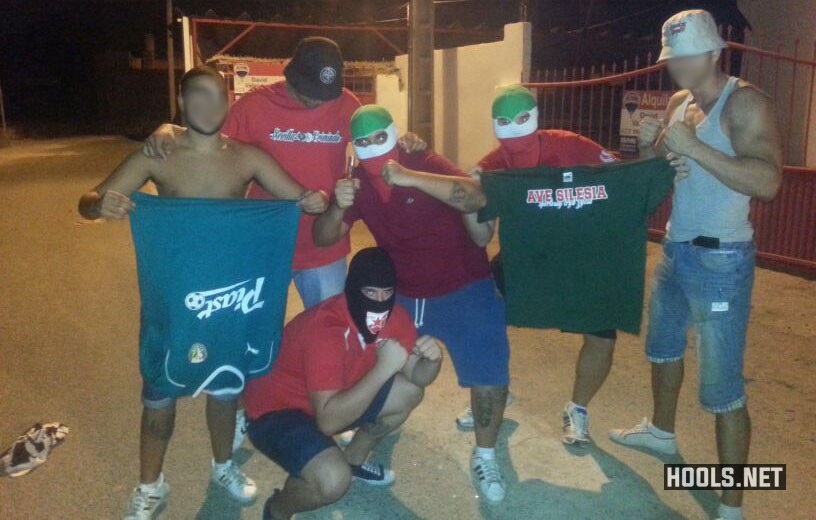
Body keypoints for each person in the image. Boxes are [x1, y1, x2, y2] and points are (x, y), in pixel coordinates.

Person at [78, 65, 328, 520]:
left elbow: (301, 198)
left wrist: (316, 202)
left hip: (228, 297)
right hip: (172, 301)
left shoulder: (248, 157)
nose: (208, 105)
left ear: (229, 101)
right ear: (181, 100)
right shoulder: (158, 153)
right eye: (198, 95)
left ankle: (222, 465)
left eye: (217, 96)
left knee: (225, 391)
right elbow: (90, 201)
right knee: (158, 398)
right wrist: (101, 204)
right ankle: (150, 486)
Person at [382, 84, 687, 448]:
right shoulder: (493, 165)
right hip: (528, 257)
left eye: (522, 118)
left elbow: (625, 180)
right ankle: (493, 391)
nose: (514, 127)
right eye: (504, 121)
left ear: (537, 117)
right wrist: (453, 179)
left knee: (601, 335)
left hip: (586, 255)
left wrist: (654, 153)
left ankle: (579, 408)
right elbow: (477, 226)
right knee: (484, 307)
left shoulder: (572, 145)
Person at [608, 10, 782, 520]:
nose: (677, 66)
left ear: (714, 52)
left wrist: (695, 148)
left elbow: (768, 183)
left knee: (723, 390)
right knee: (662, 351)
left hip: (722, 259)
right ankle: (662, 433)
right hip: (676, 248)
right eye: (671, 57)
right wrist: (658, 151)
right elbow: (671, 161)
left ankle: (731, 506)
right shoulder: (681, 103)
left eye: (686, 55)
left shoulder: (746, 102)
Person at [314, 105, 512, 503]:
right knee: (380, 373)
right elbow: (323, 238)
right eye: (363, 142)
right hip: (403, 294)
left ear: (395, 132)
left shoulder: (420, 157)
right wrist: (337, 204)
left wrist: (412, 177)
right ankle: (365, 443)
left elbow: (476, 197)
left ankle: (486, 454)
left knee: (488, 374)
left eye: (379, 138)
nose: (373, 149)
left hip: (463, 286)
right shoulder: (357, 183)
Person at [143, 37, 426, 310]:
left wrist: (407, 145)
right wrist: (169, 130)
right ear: (291, 75)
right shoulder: (254, 106)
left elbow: (376, 143)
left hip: (323, 245)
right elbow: (206, 140)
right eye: (309, 91)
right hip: (263, 243)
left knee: (329, 330)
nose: (317, 101)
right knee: (256, 331)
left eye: (324, 94)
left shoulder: (347, 104)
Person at [244, 248, 442, 520]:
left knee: (409, 392)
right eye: (371, 293)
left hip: (333, 397)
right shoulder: (326, 329)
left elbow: (417, 376)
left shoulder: (394, 316)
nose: (380, 302)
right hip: (275, 412)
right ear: (352, 289)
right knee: (333, 481)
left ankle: (353, 460)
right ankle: (278, 509)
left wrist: (432, 361)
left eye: (387, 292)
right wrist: (383, 368)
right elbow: (329, 423)